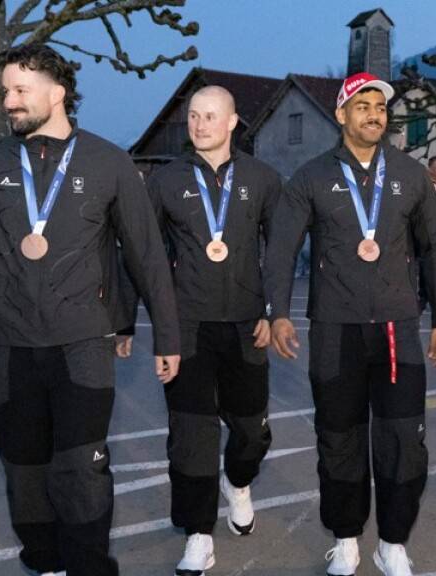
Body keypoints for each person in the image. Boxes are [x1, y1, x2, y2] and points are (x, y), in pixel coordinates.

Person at [0, 44, 181, 576]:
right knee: (23, 471)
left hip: (83, 345)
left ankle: (90, 566)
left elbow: (147, 255)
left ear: (57, 93)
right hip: (9, 346)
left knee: (83, 468)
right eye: (5, 92)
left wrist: (168, 336)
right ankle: (44, 563)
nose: (10, 101)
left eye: (21, 90)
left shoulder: (108, 161)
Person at [265, 72, 436, 576]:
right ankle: (346, 538)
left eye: (381, 107)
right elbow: (281, 248)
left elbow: (435, 248)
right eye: (364, 105)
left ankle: (392, 542)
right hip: (335, 329)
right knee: (339, 439)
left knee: (402, 442)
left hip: (398, 329)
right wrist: (277, 311)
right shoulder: (310, 176)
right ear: (343, 114)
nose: (375, 114)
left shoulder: (410, 175)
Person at [136, 85, 280, 575]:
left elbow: (279, 253)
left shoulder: (261, 178)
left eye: (209, 116)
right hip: (188, 328)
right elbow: (149, 258)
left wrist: (271, 310)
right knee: (190, 438)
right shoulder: (165, 181)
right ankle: (199, 535)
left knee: (252, 434)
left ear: (233, 122)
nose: (198, 124)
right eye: (194, 116)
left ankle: (237, 483)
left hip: (246, 328)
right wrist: (158, 332)